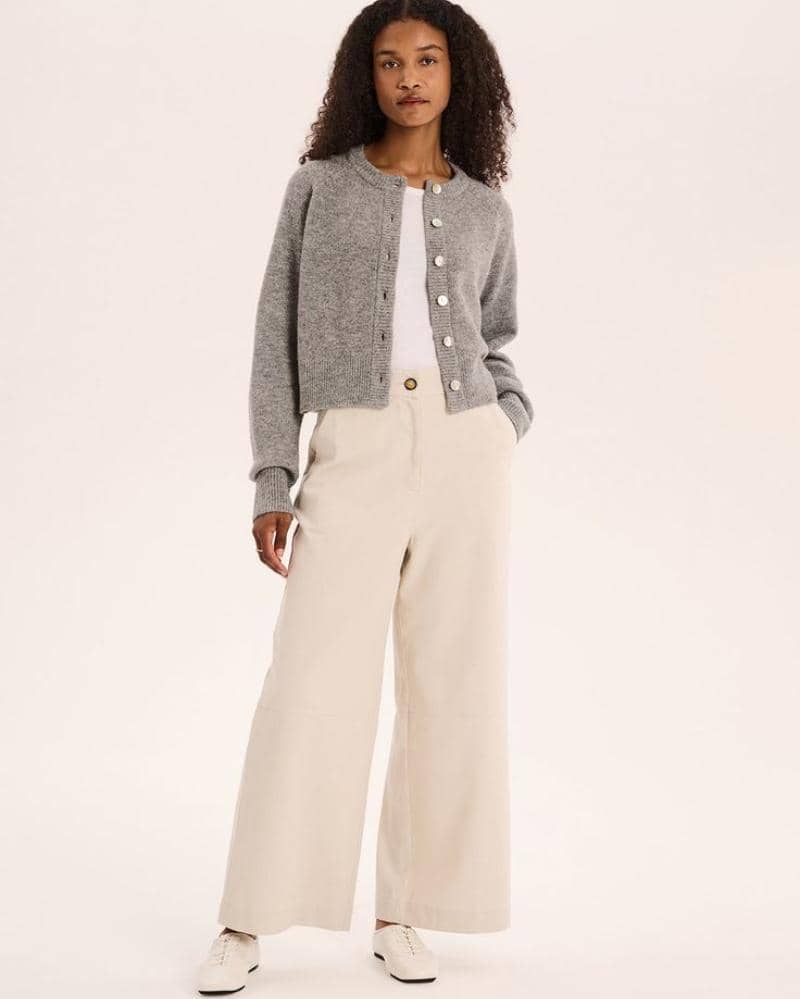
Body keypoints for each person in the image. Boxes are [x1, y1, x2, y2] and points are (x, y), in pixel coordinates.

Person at [196, 1, 534, 993]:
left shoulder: (486, 208)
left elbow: (497, 335)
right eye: (389, 61)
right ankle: (245, 916)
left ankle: (403, 913)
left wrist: (504, 418)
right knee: (309, 683)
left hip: (465, 452)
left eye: (427, 59)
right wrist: (272, 474)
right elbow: (274, 338)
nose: (409, 78)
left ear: (459, 74)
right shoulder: (319, 187)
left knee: (450, 684)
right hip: (355, 445)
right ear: (365, 76)